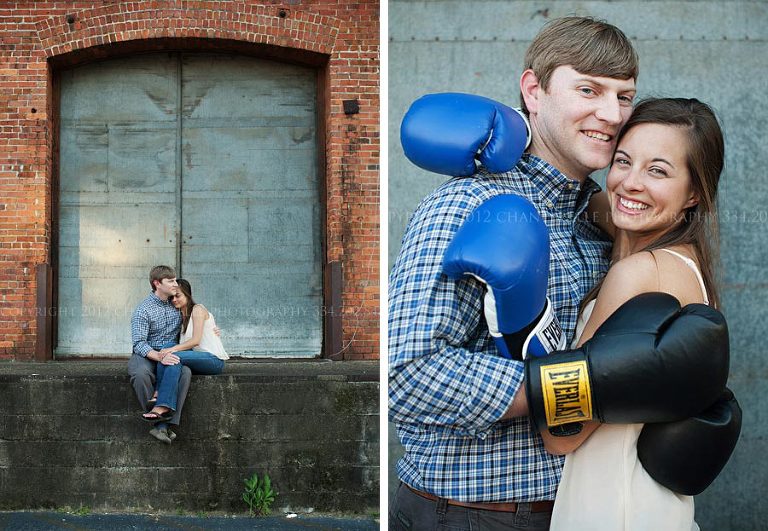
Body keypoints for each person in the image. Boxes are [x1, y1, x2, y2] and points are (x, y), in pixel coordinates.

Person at [389, 16, 638, 530]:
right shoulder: (471, 203)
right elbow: (405, 374)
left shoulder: (601, 219)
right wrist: (586, 386)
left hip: (579, 510)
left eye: (625, 97)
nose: (611, 114)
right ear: (534, 91)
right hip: (474, 516)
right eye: (589, 90)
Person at [543, 97, 725, 530]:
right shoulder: (684, 262)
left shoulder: (639, 272)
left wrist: (519, 329)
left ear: (694, 193)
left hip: (612, 508)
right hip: (650, 505)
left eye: (657, 171)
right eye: (623, 161)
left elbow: (561, 431)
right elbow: (600, 202)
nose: (630, 183)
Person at [141, 279, 228, 418]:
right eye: (171, 297)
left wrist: (172, 350)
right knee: (168, 350)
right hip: (196, 357)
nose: (174, 300)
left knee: (171, 353)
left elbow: (196, 340)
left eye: (178, 296)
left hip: (213, 360)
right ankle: (161, 399)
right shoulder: (181, 317)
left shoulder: (198, 309)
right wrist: (169, 349)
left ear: (187, 294)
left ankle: (161, 401)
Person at [129, 265, 192, 445]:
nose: (175, 284)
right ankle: (160, 425)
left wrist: (213, 330)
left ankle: (165, 422)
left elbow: (197, 316)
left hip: (171, 352)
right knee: (140, 374)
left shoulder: (177, 304)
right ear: (157, 283)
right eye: (170, 281)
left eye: (175, 280)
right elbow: (139, 343)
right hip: (147, 354)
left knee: (185, 373)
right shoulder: (143, 310)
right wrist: (159, 356)